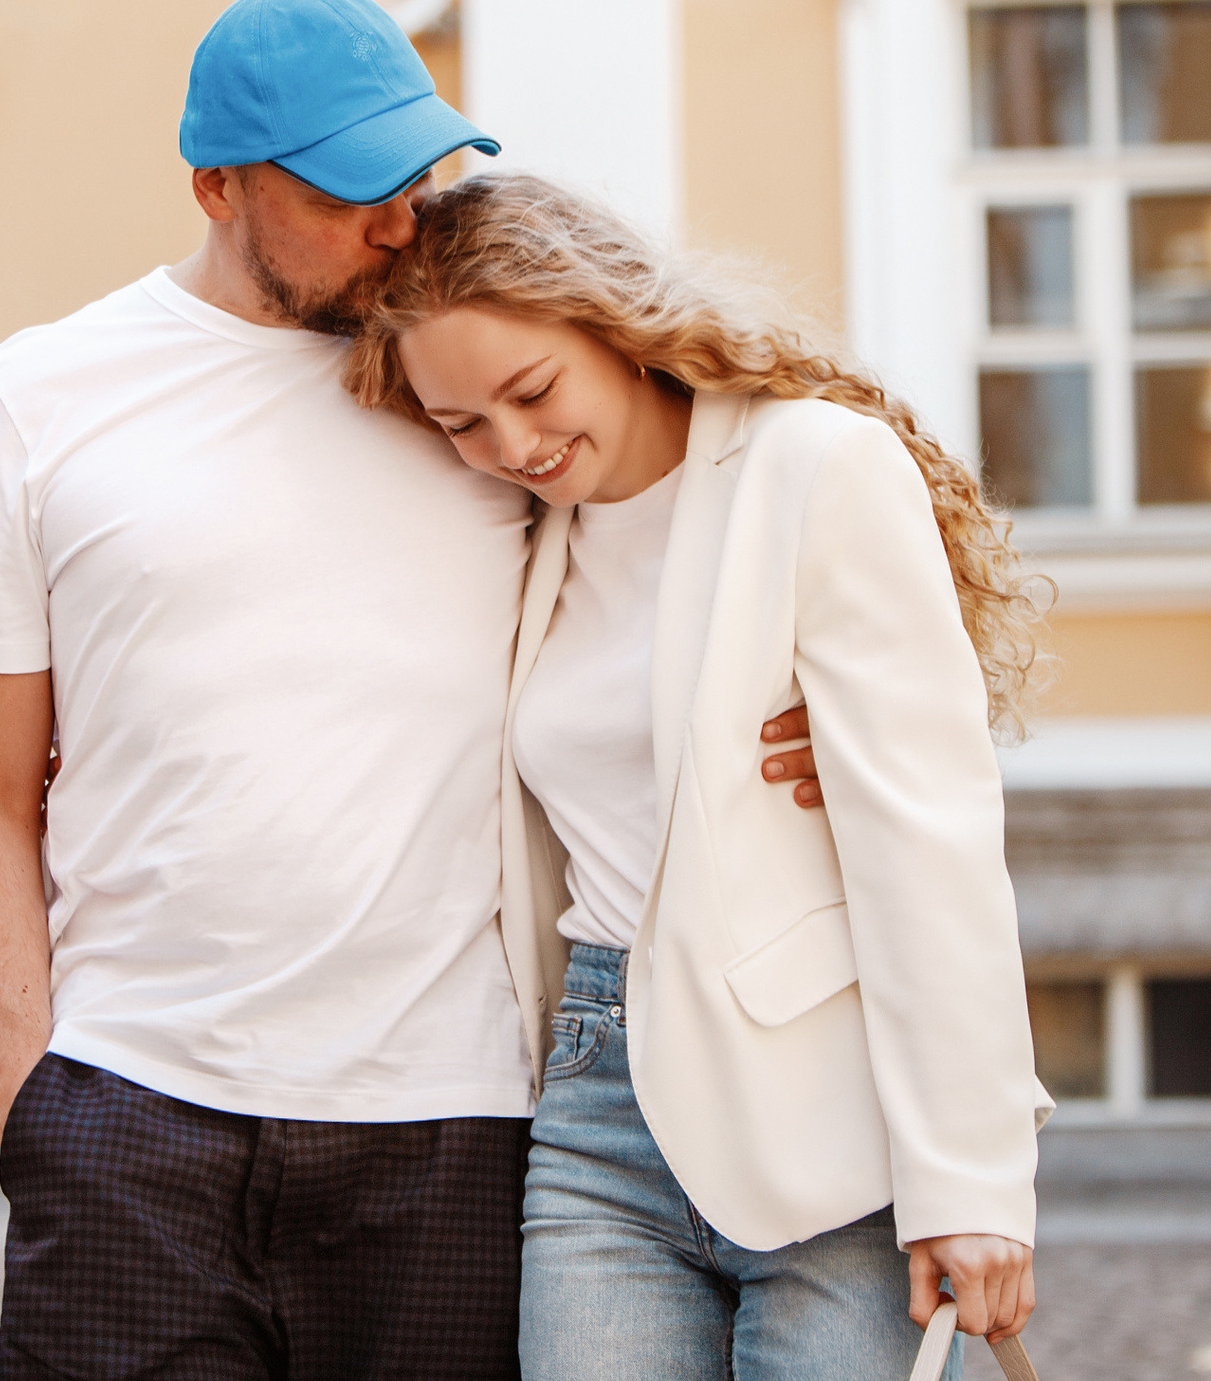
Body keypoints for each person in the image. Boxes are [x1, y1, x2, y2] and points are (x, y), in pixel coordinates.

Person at [0, 0, 821, 1380]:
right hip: (135, 1120)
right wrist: (31, 1100)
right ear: (217, 186)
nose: (399, 219)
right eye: (348, 191)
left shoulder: (478, 393)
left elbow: (727, 522)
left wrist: (814, 703)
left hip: (449, 1127)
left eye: (415, 174)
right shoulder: (40, 399)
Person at [343, 173, 1053, 1380]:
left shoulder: (813, 468)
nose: (512, 446)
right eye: (462, 423)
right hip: (591, 1104)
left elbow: (926, 840)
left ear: (613, 323)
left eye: (531, 391)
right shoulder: (522, 534)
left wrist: (972, 1176)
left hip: (823, 1115)